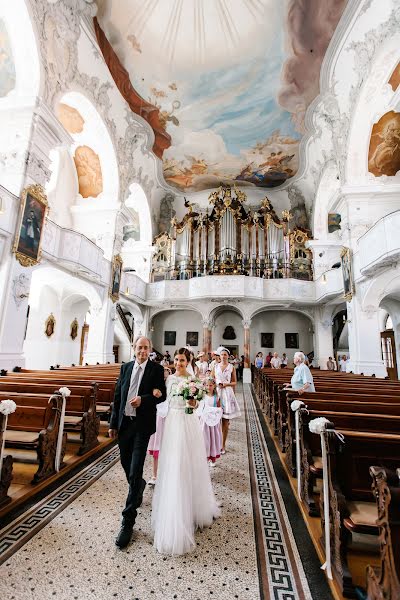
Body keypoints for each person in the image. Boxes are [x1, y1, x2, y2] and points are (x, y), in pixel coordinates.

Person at [152, 348, 220, 555]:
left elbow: (196, 403)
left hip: (187, 420)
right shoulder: (170, 379)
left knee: (188, 461)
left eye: (182, 360)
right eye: (176, 359)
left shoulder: (193, 379)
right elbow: (166, 398)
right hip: (173, 421)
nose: (179, 362)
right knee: (172, 462)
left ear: (188, 361)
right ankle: (172, 506)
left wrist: (193, 401)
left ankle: (192, 506)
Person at [109, 336, 166, 549]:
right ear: (134, 349)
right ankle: (139, 485)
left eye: (146, 348)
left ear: (150, 350)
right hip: (124, 425)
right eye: (139, 347)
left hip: (141, 425)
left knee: (135, 469)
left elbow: (162, 395)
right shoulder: (125, 368)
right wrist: (113, 423)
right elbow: (118, 397)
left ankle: (128, 521)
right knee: (126, 466)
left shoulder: (156, 370)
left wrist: (145, 399)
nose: (142, 351)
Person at [212, 346, 240, 454]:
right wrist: (215, 385)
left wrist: (226, 384)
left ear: (228, 356)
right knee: (216, 421)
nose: (223, 356)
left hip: (227, 394)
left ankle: (223, 445)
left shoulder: (231, 367)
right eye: (222, 354)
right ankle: (216, 444)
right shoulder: (215, 366)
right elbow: (211, 379)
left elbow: (234, 382)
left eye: (225, 355)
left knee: (225, 421)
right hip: (217, 393)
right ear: (219, 356)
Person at [196, 377, 223, 467]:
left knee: (213, 439)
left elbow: (219, 408)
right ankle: (205, 457)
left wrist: (216, 413)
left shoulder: (216, 397)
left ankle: (212, 458)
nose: (208, 387)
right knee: (205, 439)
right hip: (204, 422)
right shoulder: (202, 396)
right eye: (207, 385)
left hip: (214, 422)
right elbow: (200, 408)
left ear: (214, 386)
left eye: (210, 385)